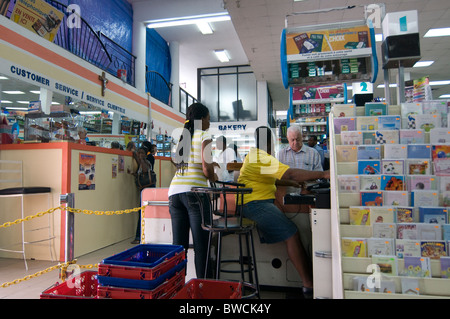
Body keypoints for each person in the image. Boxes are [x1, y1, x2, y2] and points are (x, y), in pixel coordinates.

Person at [238, 126, 330, 298]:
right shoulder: (260, 156)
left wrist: (293, 185)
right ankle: (308, 285)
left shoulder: (255, 156)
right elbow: (291, 174)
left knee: (294, 232)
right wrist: (324, 175)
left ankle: (309, 282)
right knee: (292, 234)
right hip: (254, 204)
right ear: (269, 142)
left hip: (256, 202)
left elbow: (272, 177)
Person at [168, 102, 218, 278]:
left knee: (178, 248)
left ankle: (176, 287)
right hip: (195, 194)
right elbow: (206, 170)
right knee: (201, 246)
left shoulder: (184, 137)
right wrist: (214, 177)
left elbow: (183, 167)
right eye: (209, 119)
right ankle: (203, 290)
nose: (209, 123)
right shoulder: (204, 134)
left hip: (175, 194)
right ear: (202, 119)